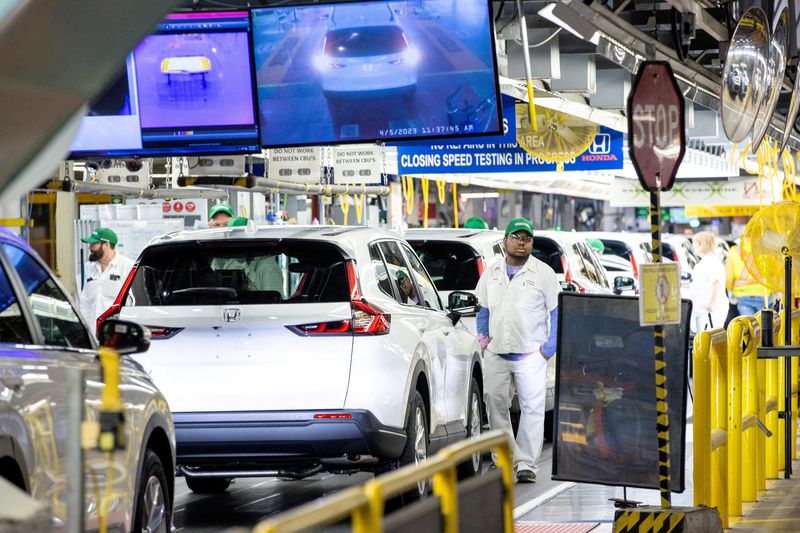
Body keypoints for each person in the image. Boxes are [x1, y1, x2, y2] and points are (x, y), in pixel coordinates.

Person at [475, 218, 560, 483]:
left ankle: (526, 465)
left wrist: (548, 349)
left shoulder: (543, 273)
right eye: (516, 237)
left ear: (531, 243)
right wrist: (483, 339)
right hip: (497, 353)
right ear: (505, 241)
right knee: (495, 405)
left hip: (531, 355)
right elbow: (483, 309)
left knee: (532, 410)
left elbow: (557, 312)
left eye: (526, 238)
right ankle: (503, 459)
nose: (521, 243)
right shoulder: (492, 272)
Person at [79, 227, 135, 336]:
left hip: (118, 335)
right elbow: (85, 303)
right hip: (94, 336)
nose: (90, 248)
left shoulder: (128, 267)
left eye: (93, 244)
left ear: (106, 244)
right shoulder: (90, 268)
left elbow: (133, 303)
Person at [689, 232, 729, 332]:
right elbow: (699, 284)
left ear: (702, 244)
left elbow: (717, 284)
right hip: (704, 310)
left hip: (709, 312)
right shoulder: (706, 261)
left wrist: (711, 305)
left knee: (708, 342)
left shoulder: (711, 262)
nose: (693, 246)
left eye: (695, 243)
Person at [726, 241, 766, 316]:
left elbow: (729, 275)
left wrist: (730, 291)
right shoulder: (765, 249)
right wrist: (777, 291)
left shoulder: (734, 251)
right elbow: (774, 271)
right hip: (763, 293)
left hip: (742, 294)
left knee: (748, 324)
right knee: (764, 324)